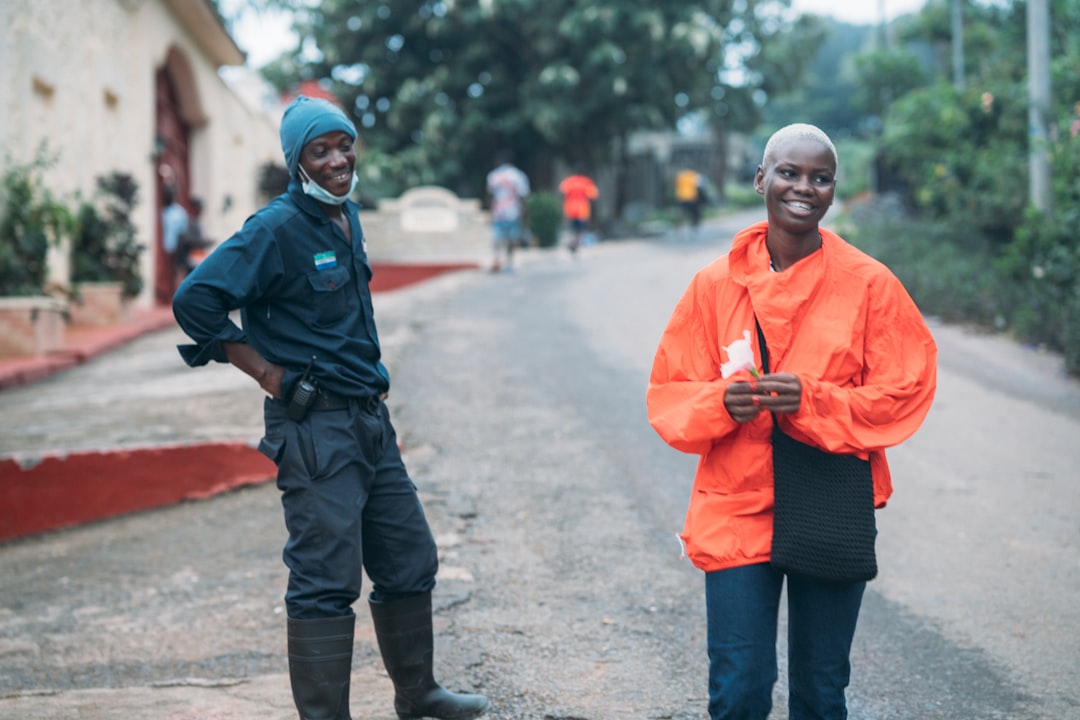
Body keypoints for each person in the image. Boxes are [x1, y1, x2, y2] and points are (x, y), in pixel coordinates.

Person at [172, 96, 489, 720]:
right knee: (325, 578)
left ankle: (418, 695)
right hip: (314, 428)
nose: (339, 159)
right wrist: (267, 373)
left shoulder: (347, 216)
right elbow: (196, 299)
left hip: (369, 420)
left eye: (344, 144)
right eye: (321, 151)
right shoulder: (275, 228)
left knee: (408, 556)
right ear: (298, 163)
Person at [646, 123, 937, 720]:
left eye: (820, 177)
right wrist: (721, 404)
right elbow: (669, 396)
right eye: (789, 172)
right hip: (736, 503)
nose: (804, 187)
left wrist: (814, 401)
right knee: (738, 691)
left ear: (833, 190)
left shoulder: (870, 285)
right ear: (760, 179)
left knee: (821, 693)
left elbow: (906, 392)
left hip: (829, 499)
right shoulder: (712, 285)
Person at [485, 150, 530, 272]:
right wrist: (524, 212)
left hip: (498, 211)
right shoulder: (518, 176)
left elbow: (490, 195)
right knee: (512, 238)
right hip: (513, 211)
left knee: (497, 238)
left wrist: (489, 211)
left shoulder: (493, 176)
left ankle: (497, 259)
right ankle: (509, 262)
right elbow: (522, 196)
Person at [557, 168, 598, 253]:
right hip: (581, 209)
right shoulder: (586, 182)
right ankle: (576, 244)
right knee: (580, 229)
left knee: (572, 227)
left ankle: (573, 242)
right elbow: (594, 195)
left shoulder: (569, 181)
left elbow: (562, 190)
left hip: (570, 208)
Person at [161, 184, 189, 294]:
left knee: (176, 272)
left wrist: (179, 250)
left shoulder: (179, 212)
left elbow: (182, 232)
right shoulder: (160, 211)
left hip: (176, 249)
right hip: (163, 250)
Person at [175, 196, 209, 279]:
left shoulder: (197, 222)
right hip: (191, 260)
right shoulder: (189, 223)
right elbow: (188, 241)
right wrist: (203, 242)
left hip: (198, 260)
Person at [673, 168, 708, 235]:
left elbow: (676, 185)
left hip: (681, 198)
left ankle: (678, 229)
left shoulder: (681, 176)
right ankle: (694, 228)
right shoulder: (696, 176)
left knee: (681, 214)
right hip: (692, 198)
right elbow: (700, 187)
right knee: (694, 214)